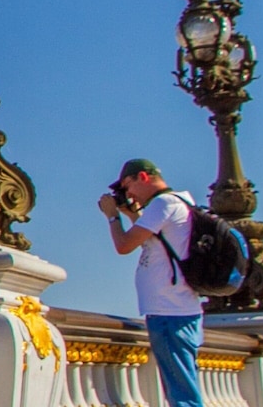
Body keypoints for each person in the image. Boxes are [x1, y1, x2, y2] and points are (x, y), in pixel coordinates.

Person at [98, 158, 204, 407]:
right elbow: (153, 242)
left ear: (143, 177)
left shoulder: (163, 203)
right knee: (184, 386)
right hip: (180, 308)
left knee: (182, 395)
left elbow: (124, 245)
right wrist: (131, 214)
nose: (128, 194)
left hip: (169, 312)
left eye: (127, 186)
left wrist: (113, 217)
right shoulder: (180, 202)